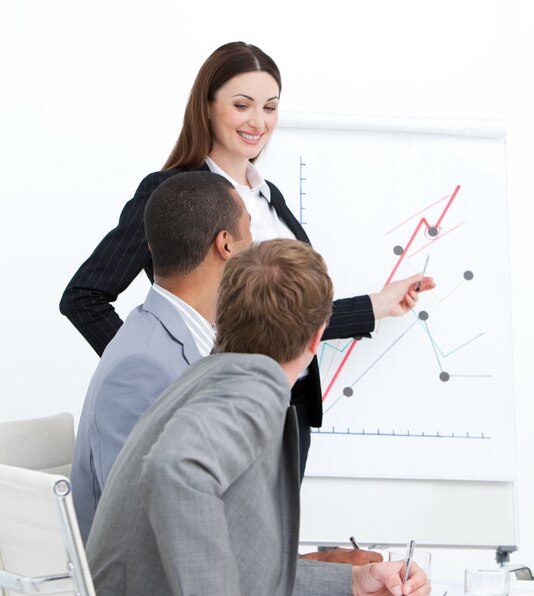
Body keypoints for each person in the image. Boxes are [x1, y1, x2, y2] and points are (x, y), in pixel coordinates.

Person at [60, 41, 434, 478]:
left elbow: (283, 318)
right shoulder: (175, 193)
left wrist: (377, 304)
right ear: (207, 107)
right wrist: (170, 379)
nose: (259, 122)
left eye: (270, 107)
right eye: (242, 105)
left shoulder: (268, 198)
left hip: (286, 408)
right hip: (217, 409)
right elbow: (84, 296)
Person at [86, 239, 430, 596]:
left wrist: (350, 583)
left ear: (224, 312)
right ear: (317, 337)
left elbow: (244, 560)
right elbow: (175, 467)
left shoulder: (208, 377)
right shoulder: (253, 385)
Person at [71, 171, 252, 543]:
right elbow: (152, 537)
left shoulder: (185, 342)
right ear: (226, 245)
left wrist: (340, 578)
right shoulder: (143, 367)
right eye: (250, 231)